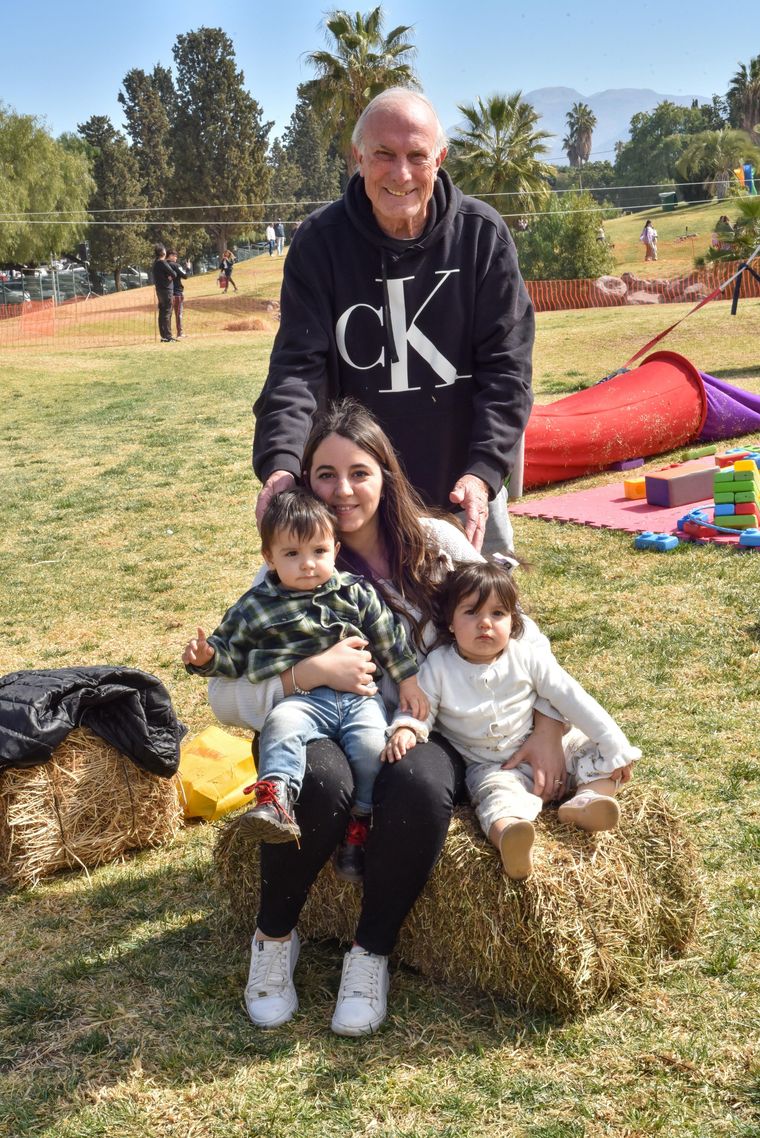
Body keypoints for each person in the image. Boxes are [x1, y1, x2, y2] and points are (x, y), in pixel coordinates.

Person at [208, 400, 567, 1035]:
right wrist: (307, 673)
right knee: (321, 784)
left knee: (422, 785)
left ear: (386, 474)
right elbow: (223, 698)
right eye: (324, 474)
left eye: (359, 472)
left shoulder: (438, 545)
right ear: (305, 481)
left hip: (422, 723)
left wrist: (549, 728)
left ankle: (369, 954)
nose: (342, 490)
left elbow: (524, 637)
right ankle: (273, 939)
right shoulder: (295, 556)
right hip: (310, 718)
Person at [252, 87, 535, 557]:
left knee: (483, 627)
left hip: (463, 494)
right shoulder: (319, 245)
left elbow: (507, 371)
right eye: (383, 154)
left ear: (440, 158)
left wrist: (483, 473)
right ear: (358, 156)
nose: (400, 174)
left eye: (416, 156)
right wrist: (282, 463)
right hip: (355, 503)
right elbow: (297, 370)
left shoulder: (482, 237)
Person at [183, 487, 426, 880]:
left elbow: (389, 640)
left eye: (318, 551)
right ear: (270, 558)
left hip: (358, 697)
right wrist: (207, 659)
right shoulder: (256, 606)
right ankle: (276, 798)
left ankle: (359, 823)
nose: (308, 564)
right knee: (281, 725)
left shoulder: (355, 593)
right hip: (304, 698)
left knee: (371, 747)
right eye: (292, 554)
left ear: (335, 547)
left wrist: (409, 683)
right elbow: (232, 653)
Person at [385, 560, 641, 880]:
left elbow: (572, 698)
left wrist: (614, 742)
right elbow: (418, 707)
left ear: (512, 620)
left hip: (553, 745)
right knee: (496, 799)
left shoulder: (525, 656)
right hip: (494, 766)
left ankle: (587, 802)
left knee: (598, 754)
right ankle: (511, 837)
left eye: (497, 614)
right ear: (449, 622)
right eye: (471, 613)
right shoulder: (438, 668)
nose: (485, 624)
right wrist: (408, 727)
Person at [152, 243, 177, 342]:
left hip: (159, 290)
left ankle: (163, 336)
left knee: (162, 313)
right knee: (167, 312)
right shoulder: (162, 263)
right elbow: (174, 273)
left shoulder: (155, 263)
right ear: (163, 252)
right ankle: (168, 336)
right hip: (166, 290)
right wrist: (169, 276)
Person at [166, 249, 187, 339]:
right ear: (170, 256)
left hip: (167, 293)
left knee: (168, 314)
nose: (176, 258)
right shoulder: (175, 265)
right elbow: (185, 275)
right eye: (175, 256)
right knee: (178, 314)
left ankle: (167, 334)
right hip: (177, 292)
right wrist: (188, 267)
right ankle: (180, 333)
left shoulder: (163, 265)